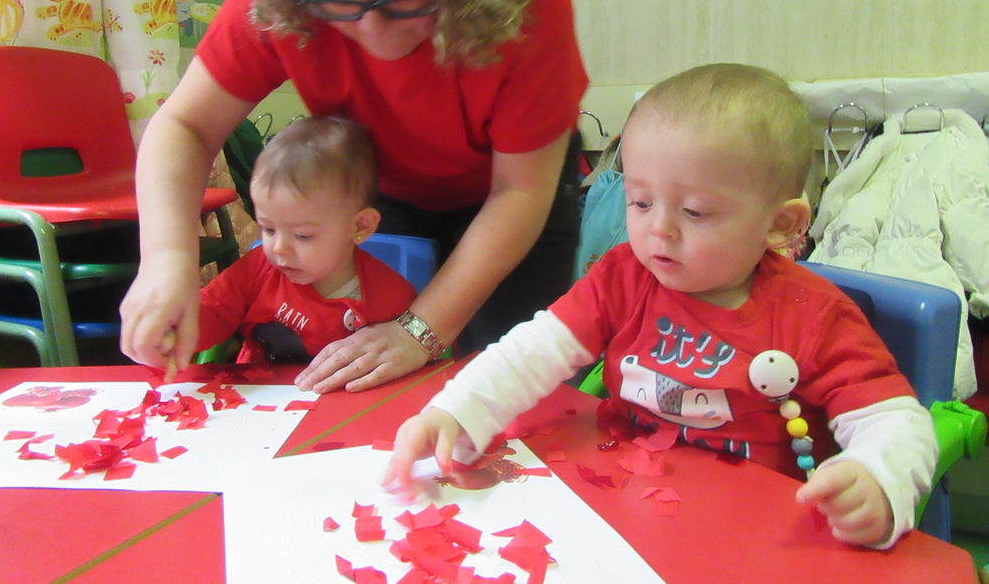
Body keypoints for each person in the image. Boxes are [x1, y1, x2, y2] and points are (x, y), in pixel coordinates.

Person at [119, 0, 587, 392]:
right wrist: (167, 258)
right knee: (367, 377)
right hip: (379, 189)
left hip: (514, 198)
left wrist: (421, 331)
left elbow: (519, 192)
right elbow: (183, 127)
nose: (372, 27)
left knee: (506, 384)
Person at [384, 64, 937, 549]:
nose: (658, 231)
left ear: (780, 224)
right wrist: (458, 410)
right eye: (641, 201)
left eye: (695, 212)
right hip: (631, 509)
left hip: (756, 533)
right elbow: (534, 350)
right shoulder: (624, 276)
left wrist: (876, 479)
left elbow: (895, 421)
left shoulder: (814, 316)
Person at [190, 116, 417, 365]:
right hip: (256, 396)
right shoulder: (256, 269)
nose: (278, 248)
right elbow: (212, 312)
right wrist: (174, 326)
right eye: (268, 229)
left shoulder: (390, 297)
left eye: (302, 235)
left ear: (360, 226)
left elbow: (416, 363)